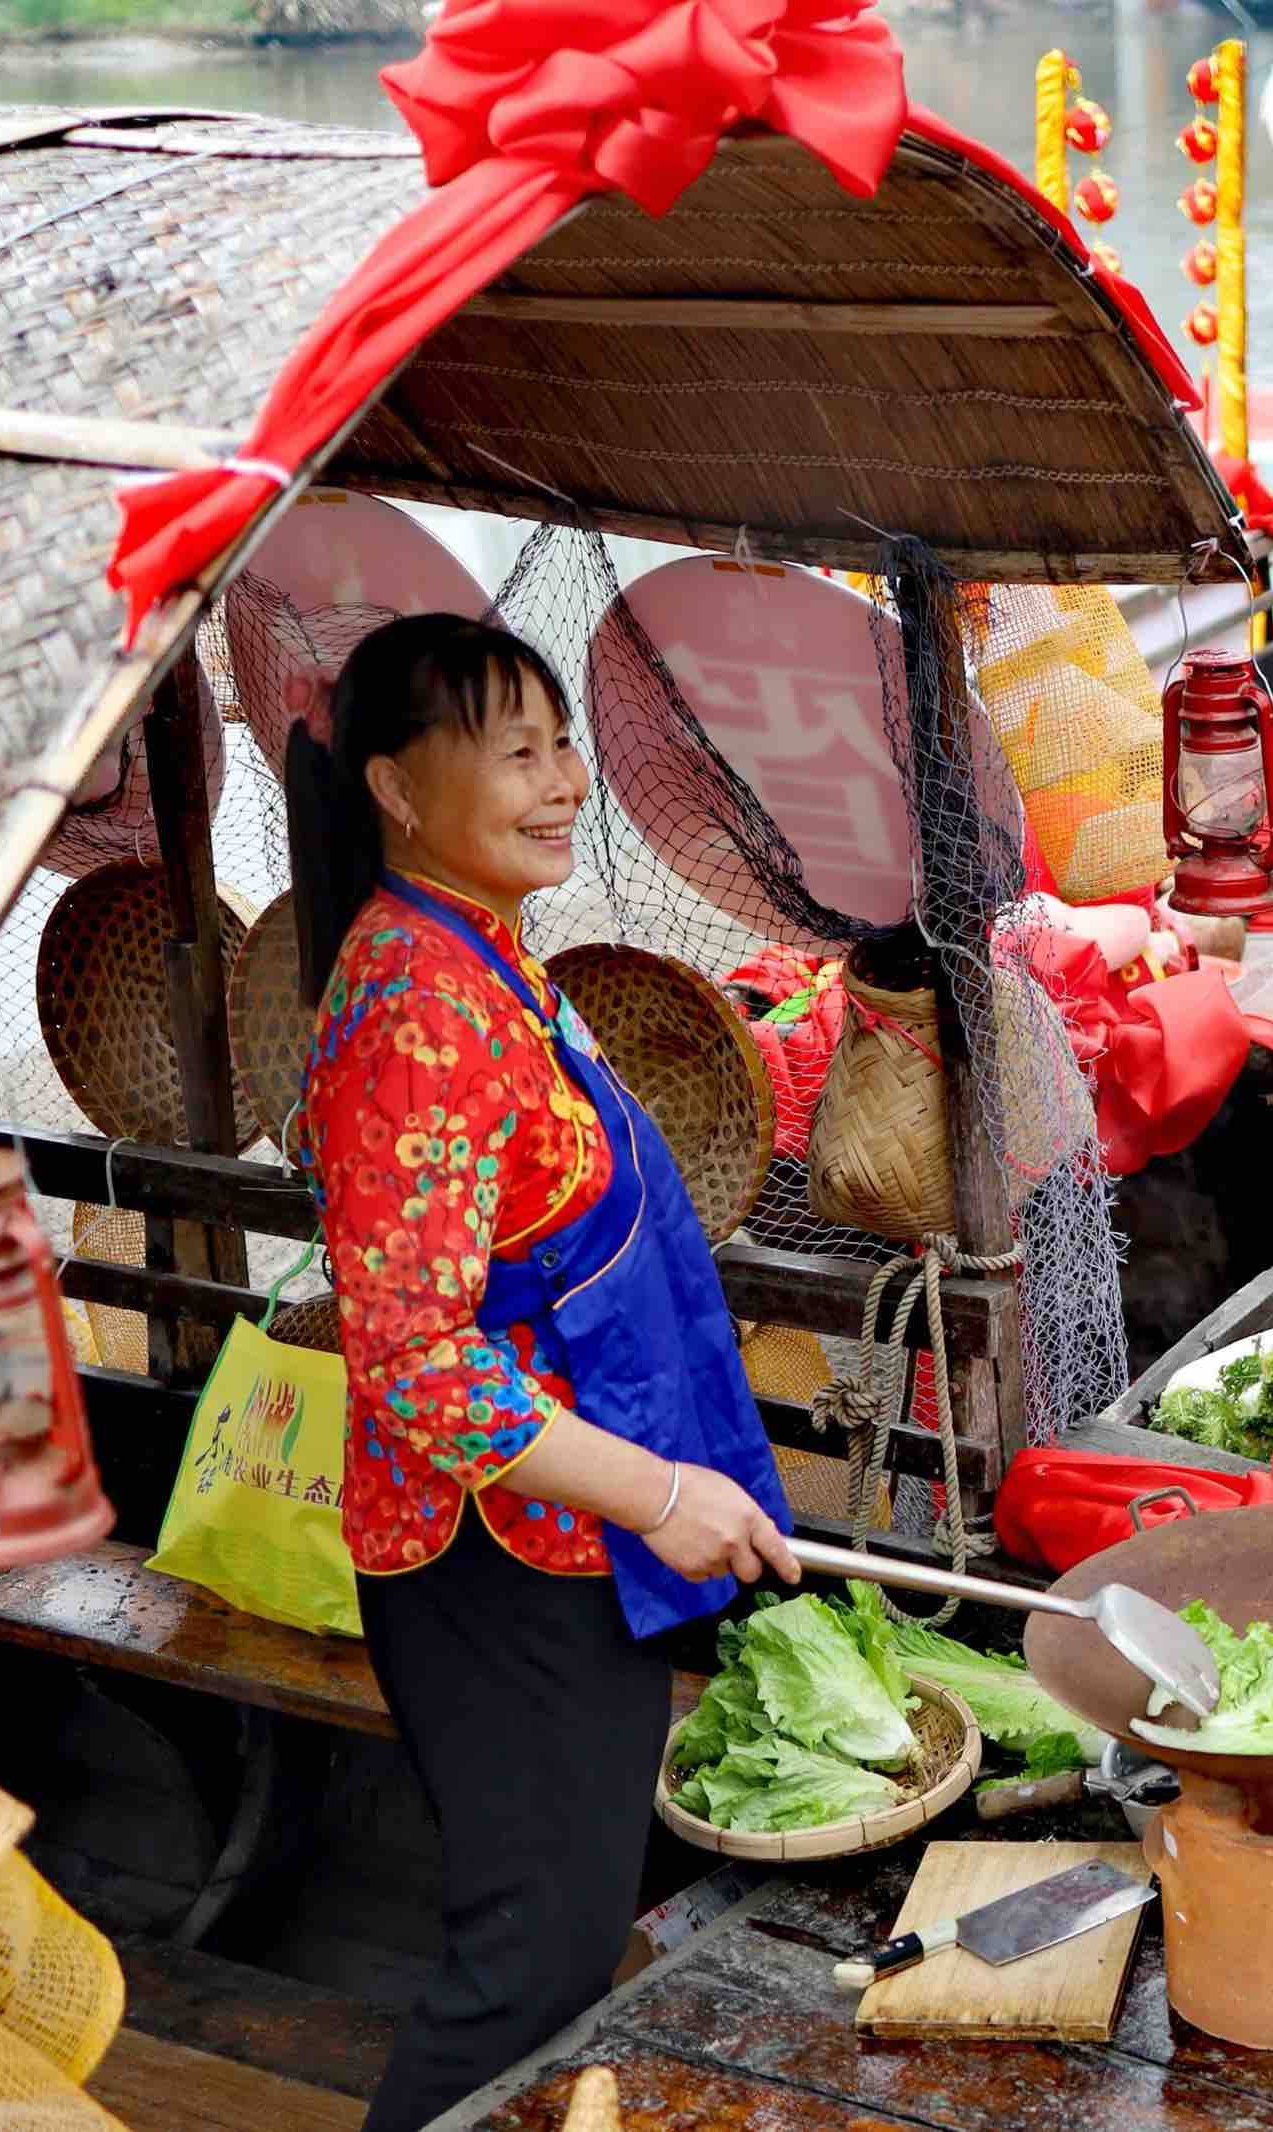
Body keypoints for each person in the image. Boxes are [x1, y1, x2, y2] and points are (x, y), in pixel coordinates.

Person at [286, 614, 807, 2132]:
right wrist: (658, 1493)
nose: (562, 780)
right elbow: (415, 1367)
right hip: (491, 1560)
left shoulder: (486, 955)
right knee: (533, 1963)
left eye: (562, 742)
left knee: (572, 1940)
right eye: (515, 751)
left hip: (562, 1536)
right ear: (394, 785)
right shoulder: (418, 1012)